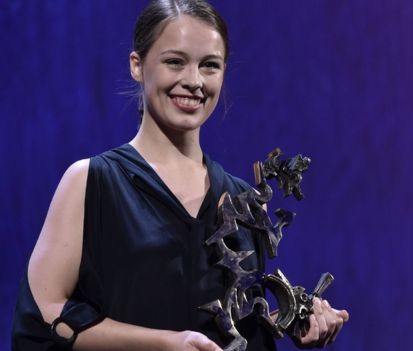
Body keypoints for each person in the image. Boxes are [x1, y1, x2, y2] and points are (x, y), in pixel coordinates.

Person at [11, 1, 349, 350]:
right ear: (137, 66)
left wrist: (291, 324)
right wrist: (162, 344)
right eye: (175, 61)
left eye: (210, 66)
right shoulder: (92, 182)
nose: (193, 81)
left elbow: (234, 324)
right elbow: (43, 317)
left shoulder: (243, 199)